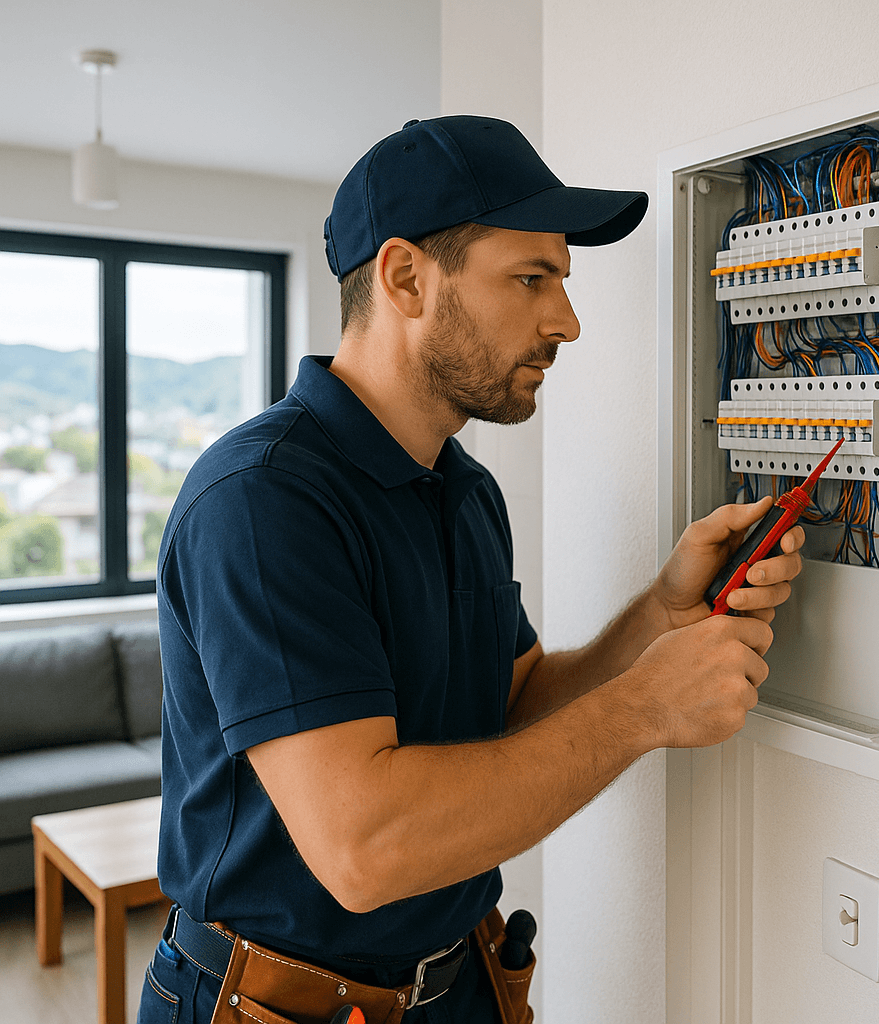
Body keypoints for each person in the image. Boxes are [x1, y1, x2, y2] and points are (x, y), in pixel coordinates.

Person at [139, 116, 804, 1024]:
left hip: (460, 985)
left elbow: (515, 701)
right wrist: (648, 706)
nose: (566, 322)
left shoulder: (462, 488)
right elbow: (365, 847)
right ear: (406, 276)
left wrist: (659, 614)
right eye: (531, 279)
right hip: (275, 1009)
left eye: (561, 282)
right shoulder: (264, 502)